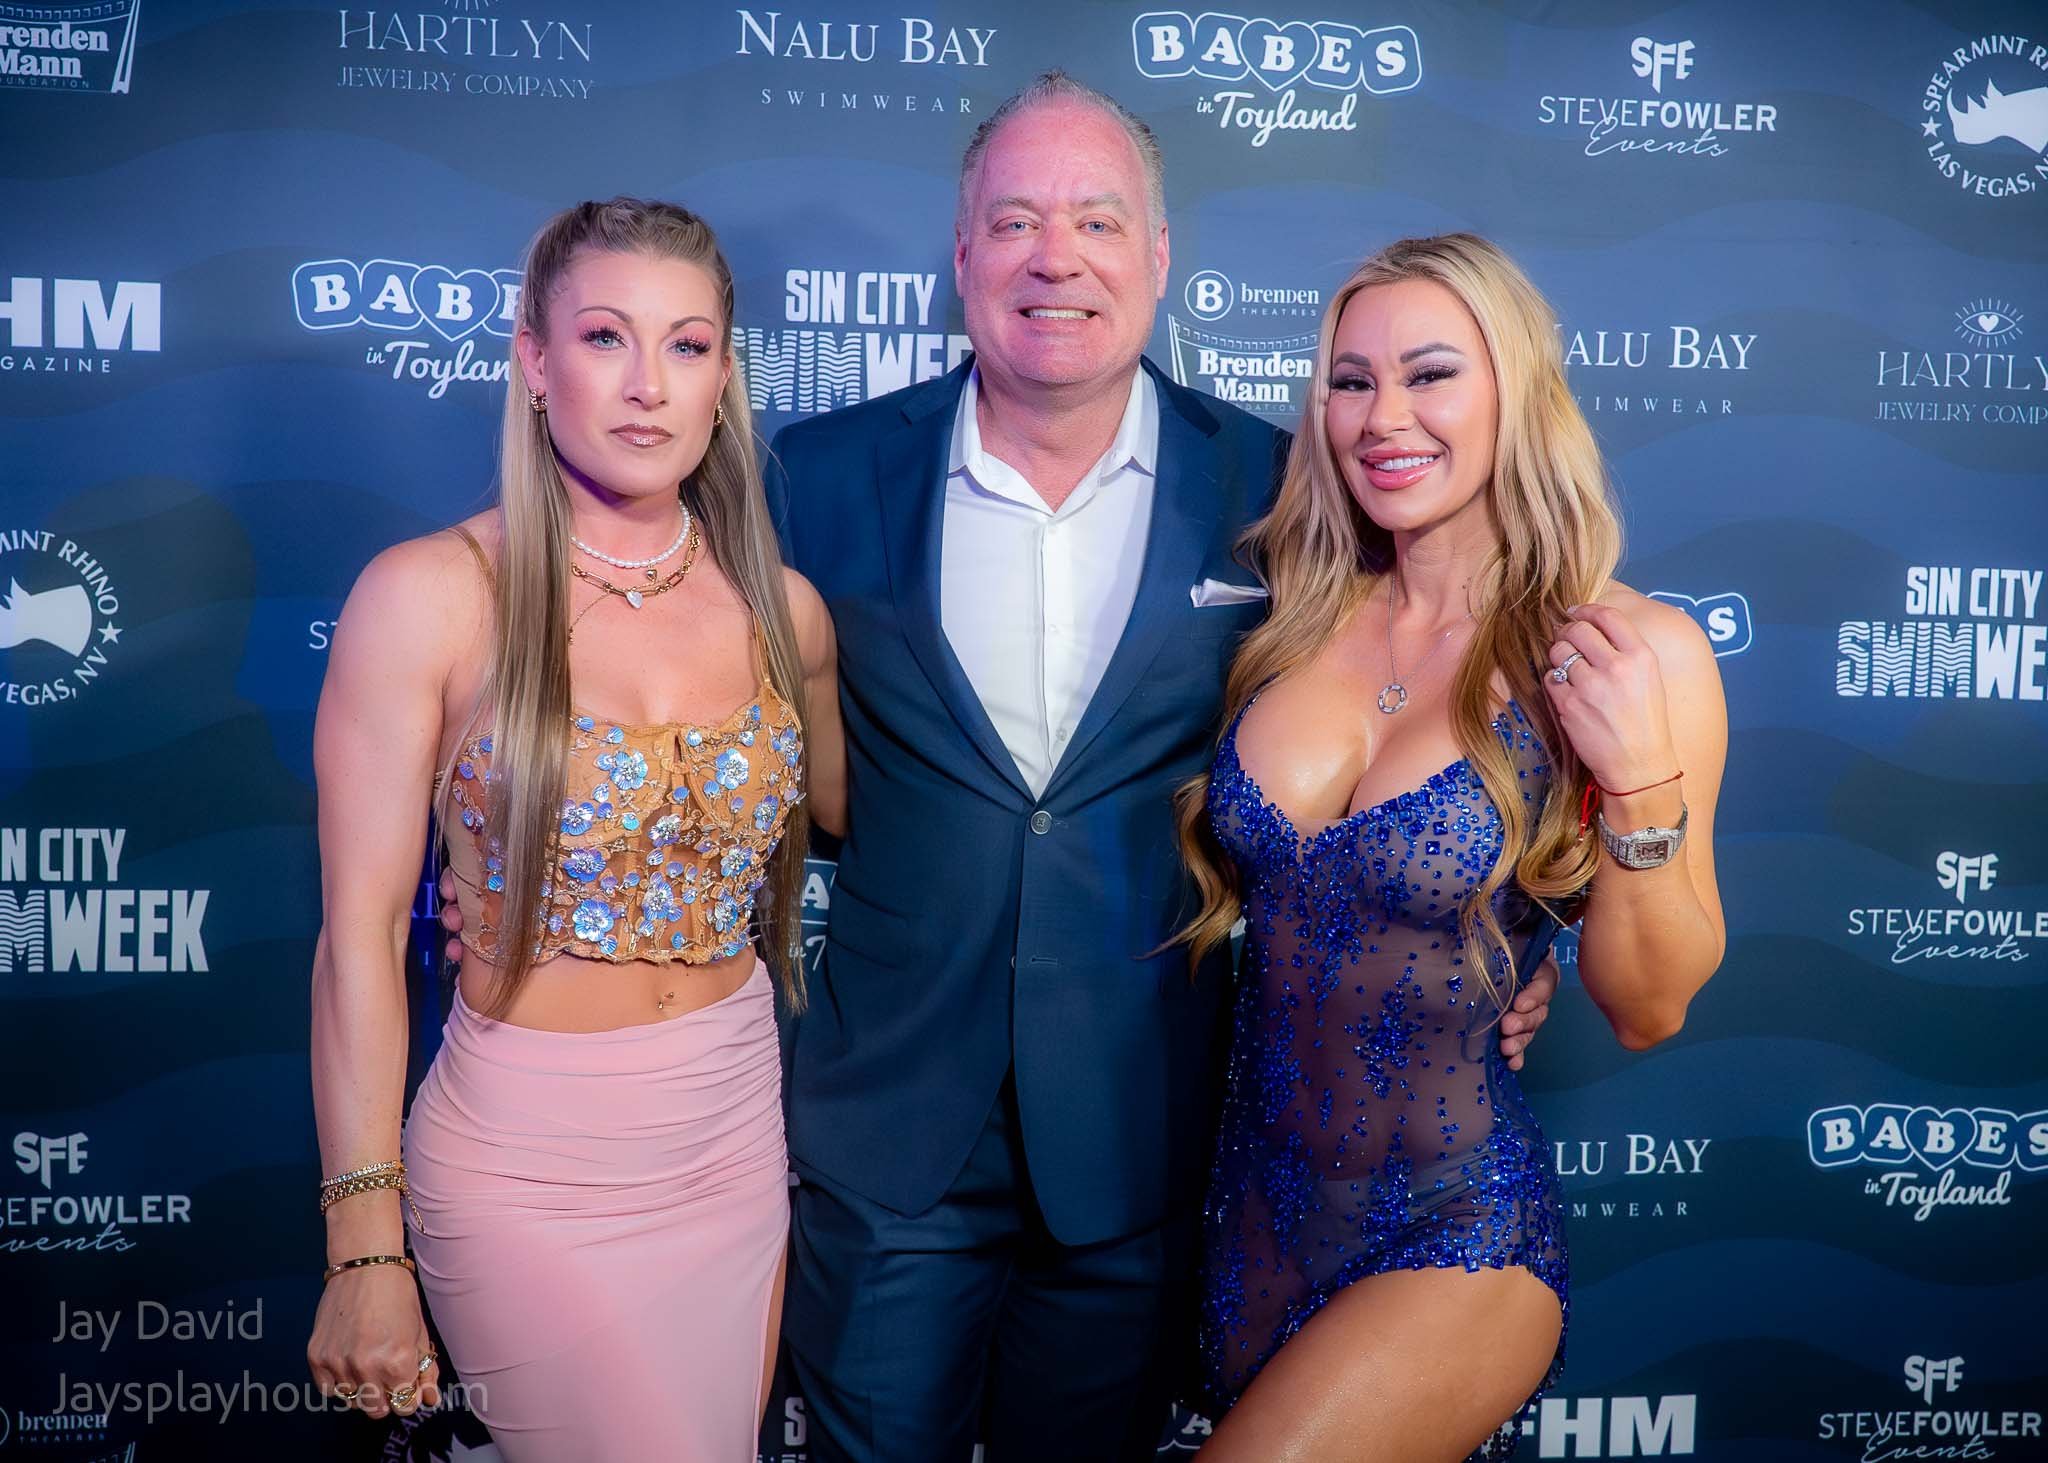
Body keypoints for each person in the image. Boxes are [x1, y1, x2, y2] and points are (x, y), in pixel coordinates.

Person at [438, 76, 1557, 1461]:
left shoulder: (1282, 489)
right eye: (1015, 221)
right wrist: (528, 877)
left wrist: (1513, 945)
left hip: (1143, 1138)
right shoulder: (814, 478)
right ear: (962, 255)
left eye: (1098, 220)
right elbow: (672, 703)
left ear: (1159, 256)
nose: (1055, 257)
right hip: (888, 1137)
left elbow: (1446, 674)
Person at [305, 197, 844, 1461]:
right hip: (526, 1162)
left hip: (730, 1136)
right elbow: (359, 937)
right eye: (605, 337)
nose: (648, 384)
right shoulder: (431, 595)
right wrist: (362, 1241)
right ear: (535, 362)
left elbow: (874, 811)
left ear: (724, 376)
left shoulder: (787, 613)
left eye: (687, 345)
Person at [1179, 233, 1727, 1463]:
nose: (1383, 416)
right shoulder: (1294, 621)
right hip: (1244, 1228)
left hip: (1454, 1232)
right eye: (1350, 380)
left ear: (1513, 393)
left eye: (1428, 374)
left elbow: (1649, 1006)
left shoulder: (1624, 649)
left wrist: (1638, 782)